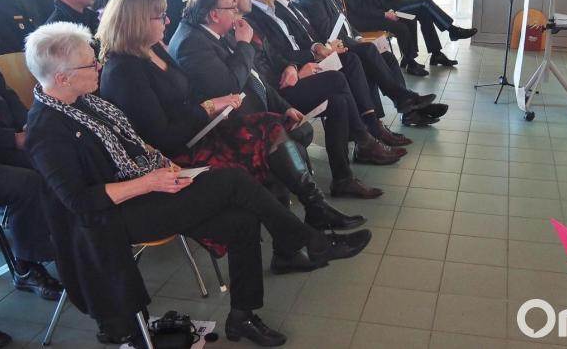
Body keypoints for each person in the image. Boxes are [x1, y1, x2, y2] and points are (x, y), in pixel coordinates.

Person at [24, 22, 370, 346]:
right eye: (89, 64)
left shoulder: (85, 101)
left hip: (146, 186)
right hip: (113, 216)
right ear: (62, 77)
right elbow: (79, 201)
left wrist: (164, 166)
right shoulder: (46, 130)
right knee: (234, 180)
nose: (97, 66)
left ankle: (242, 316)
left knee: (242, 221)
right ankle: (309, 239)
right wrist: (149, 182)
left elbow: (134, 144)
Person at [97, 0, 366, 230]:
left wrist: (213, 107)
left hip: (198, 129)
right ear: (137, 21)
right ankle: (301, 231)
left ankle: (313, 212)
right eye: (160, 16)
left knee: (272, 129)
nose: (168, 20)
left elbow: (238, 80)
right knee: (265, 141)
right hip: (178, 152)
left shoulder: (153, 49)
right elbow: (162, 135)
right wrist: (210, 106)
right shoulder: (124, 70)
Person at [237, 0, 402, 193]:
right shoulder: (250, 21)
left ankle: (344, 176)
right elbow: (262, 66)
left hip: (296, 71)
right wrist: (298, 66)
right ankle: (365, 137)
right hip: (278, 92)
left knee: (340, 96)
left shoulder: (273, 9)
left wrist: (301, 60)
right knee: (338, 78)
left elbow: (283, 51)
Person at [294, 0, 448, 127]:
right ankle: (401, 104)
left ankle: (407, 108)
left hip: (346, 40)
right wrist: (357, 42)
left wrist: (358, 38)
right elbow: (327, 32)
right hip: (331, 49)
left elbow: (344, 20)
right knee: (369, 51)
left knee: (387, 56)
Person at [270, 0, 411, 147]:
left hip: (322, 51)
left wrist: (322, 46)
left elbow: (321, 31)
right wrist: (319, 49)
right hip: (306, 65)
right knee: (358, 58)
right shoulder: (287, 5)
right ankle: (373, 123)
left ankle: (385, 116)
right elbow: (288, 49)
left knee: (382, 57)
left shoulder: (295, 5)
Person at [0, 50, 64, 302]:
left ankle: (64, 238)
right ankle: (26, 267)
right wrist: (11, 139)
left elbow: (4, 93)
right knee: (25, 183)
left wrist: (28, 124)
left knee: (51, 161)